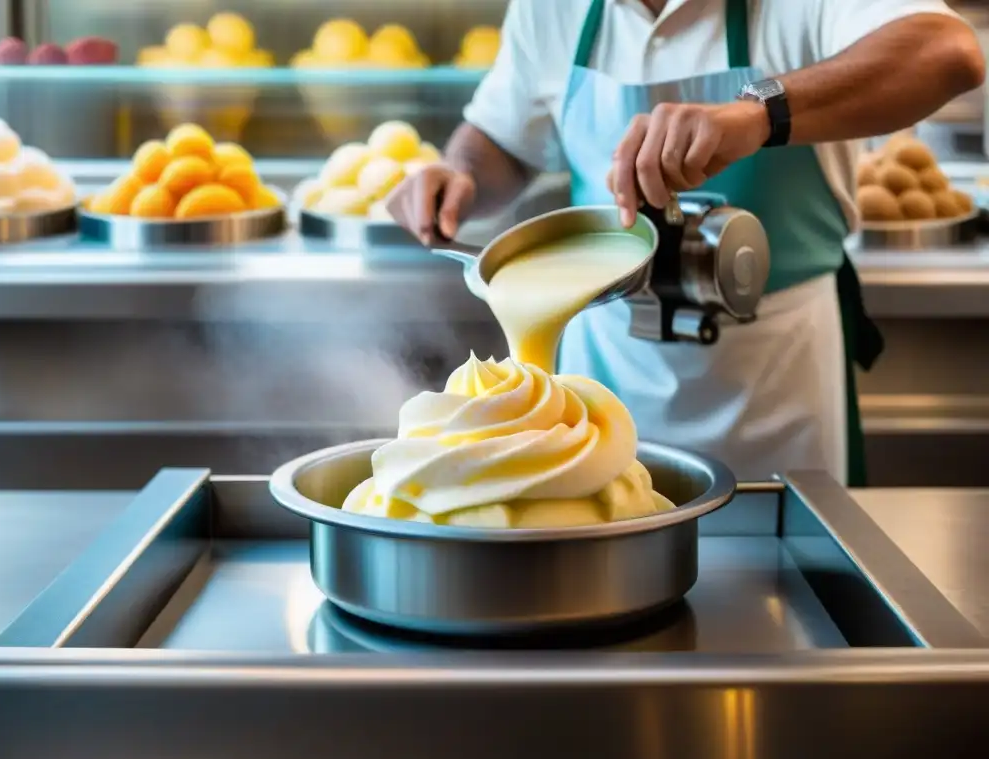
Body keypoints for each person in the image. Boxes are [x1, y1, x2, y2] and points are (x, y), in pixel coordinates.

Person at [385, 0, 984, 485]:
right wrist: (458, 172)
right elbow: (501, 138)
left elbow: (948, 52)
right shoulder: (552, 9)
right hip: (604, 363)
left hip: (776, 376)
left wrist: (757, 113)